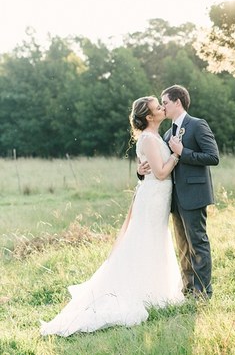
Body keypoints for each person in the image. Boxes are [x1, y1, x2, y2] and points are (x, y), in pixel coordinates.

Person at [41, 96, 184, 337]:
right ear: (149, 117)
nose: (161, 108)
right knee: (144, 243)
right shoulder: (149, 138)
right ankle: (138, 292)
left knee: (152, 243)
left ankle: (154, 290)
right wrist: (177, 155)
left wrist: (144, 169)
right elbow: (160, 173)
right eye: (157, 107)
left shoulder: (155, 137)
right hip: (152, 200)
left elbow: (149, 168)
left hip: (157, 199)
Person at [138, 84, 219, 299]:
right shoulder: (165, 134)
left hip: (194, 195)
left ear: (177, 102)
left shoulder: (197, 125)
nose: (162, 107)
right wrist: (140, 171)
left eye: (165, 103)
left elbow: (213, 157)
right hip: (173, 199)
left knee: (198, 243)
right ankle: (188, 289)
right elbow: (158, 164)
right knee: (182, 246)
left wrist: (184, 152)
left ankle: (203, 292)